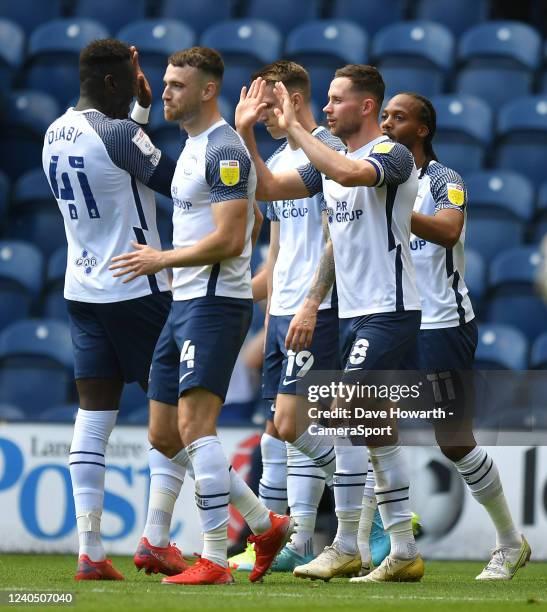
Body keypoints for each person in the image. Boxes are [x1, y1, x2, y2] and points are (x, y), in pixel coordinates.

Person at [110, 47, 293, 586]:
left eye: (176, 85)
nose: (167, 91)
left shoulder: (223, 150)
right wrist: (137, 108)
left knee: (195, 428)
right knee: (164, 434)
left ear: (207, 90)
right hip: (183, 302)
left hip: (214, 306)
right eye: (164, 82)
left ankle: (214, 557)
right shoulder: (191, 148)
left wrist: (161, 258)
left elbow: (234, 236)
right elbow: (250, 221)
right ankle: (265, 522)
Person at [235, 65, 424, 583]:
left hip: (389, 308)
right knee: (376, 429)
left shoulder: (390, 154)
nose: (328, 108)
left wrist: (296, 125)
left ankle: (345, 543)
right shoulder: (327, 163)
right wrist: (248, 132)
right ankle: (402, 545)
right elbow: (270, 188)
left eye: (337, 100)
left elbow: (349, 174)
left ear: (366, 107)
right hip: (351, 312)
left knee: (342, 415)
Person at [42, 39, 185, 581]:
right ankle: (167, 535)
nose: (137, 87)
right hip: (136, 285)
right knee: (173, 414)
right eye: (131, 80)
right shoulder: (118, 131)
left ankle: (91, 551)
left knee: (93, 419)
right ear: (109, 83)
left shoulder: (54, 131)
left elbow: (118, 170)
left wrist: (142, 111)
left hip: (82, 288)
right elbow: (173, 182)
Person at [380, 92, 531, 581]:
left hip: (441, 323)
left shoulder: (445, 180)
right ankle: (394, 547)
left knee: (452, 440)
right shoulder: (377, 178)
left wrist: (395, 210)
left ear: (422, 130)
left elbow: (447, 230)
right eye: (383, 115)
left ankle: (509, 541)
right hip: (389, 319)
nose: (386, 124)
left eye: (398, 117)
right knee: (367, 426)